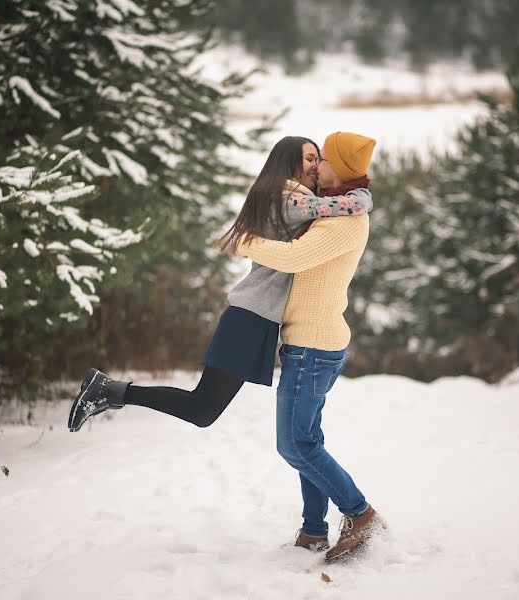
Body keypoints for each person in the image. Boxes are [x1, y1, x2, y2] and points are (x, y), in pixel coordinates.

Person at [67, 136, 372, 432]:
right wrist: (362, 196)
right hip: (251, 317)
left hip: (257, 317)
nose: (316, 165)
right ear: (289, 162)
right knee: (202, 409)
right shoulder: (289, 199)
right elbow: (340, 207)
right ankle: (110, 391)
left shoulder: (286, 196)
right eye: (310, 158)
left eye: (319, 158)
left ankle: (110, 391)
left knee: (203, 408)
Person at [235, 131, 385, 563]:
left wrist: (243, 242)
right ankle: (314, 530)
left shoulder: (346, 221)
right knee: (308, 438)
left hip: (313, 345)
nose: (316, 165)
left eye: (324, 158)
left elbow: (295, 259)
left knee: (295, 445)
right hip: (309, 342)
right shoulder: (332, 207)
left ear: (339, 164)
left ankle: (360, 514)